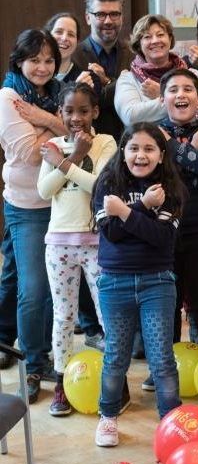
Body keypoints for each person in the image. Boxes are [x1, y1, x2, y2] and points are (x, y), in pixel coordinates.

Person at [91, 123, 186, 446]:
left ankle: (171, 419)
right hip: (114, 282)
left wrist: (124, 212)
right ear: (123, 151)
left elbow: (161, 238)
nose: (140, 155)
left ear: (161, 156)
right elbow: (112, 233)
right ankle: (107, 416)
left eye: (149, 149)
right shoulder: (108, 183)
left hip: (157, 282)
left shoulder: (170, 190)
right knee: (116, 355)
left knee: (161, 358)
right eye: (133, 148)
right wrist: (142, 207)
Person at [37, 83, 116, 416]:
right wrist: (70, 158)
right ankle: (61, 382)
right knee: (64, 316)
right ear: (61, 113)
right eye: (69, 111)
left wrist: (70, 160)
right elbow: (44, 190)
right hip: (59, 244)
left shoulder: (106, 143)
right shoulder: (52, 145)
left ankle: (114, 382)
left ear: (95, 112)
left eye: (84, 110)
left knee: (107, 314)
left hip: (96, 243)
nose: (76, 117)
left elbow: (99, 185)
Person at [0, 29, 67, 402]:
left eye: (48, 60)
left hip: (63, 202)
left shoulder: (53, 94)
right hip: (26, 206)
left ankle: (56, 360)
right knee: (34, 289)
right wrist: (57, 126)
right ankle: (33, 364)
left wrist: (45, 119)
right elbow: (28, 152)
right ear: (19, 61)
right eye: (35, 60)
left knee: (59, 291)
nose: (42, 67)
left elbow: (78, 130)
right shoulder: (7, 96)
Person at [159, 69, 198, 354]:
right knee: (165, 300)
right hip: (162, 228)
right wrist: (193, 153)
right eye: (173, 90)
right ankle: (164, 366)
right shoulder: (152, 133)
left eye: (188, 89)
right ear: (163, 99)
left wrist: (173, 148)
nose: (181, 94)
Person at [114, 15, 198, 126]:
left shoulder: (193, 75)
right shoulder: (128, 79)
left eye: (160, 35)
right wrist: (174, 101)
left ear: (170, 39)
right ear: (138, 44)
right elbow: (130, 117)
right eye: (147, 37)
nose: (155, 41)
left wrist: (161, 95)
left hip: (193, 141)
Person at [71, 0, 131, 139]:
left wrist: (106, 82)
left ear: (122, 17)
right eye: (100, 14)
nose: (108, 21)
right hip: (90, 144)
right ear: (87, 18)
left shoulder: (134, 54)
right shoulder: (74, 55)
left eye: (115, 14)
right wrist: (121, 84)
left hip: (130, 144)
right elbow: (83, 103)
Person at [45, 13, 93, 86]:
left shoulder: (86, 80)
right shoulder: (34, 72)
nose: (64, 38)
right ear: (48, 36)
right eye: (59, 32)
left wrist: (81, 91)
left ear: (77, 41)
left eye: (71, 34)